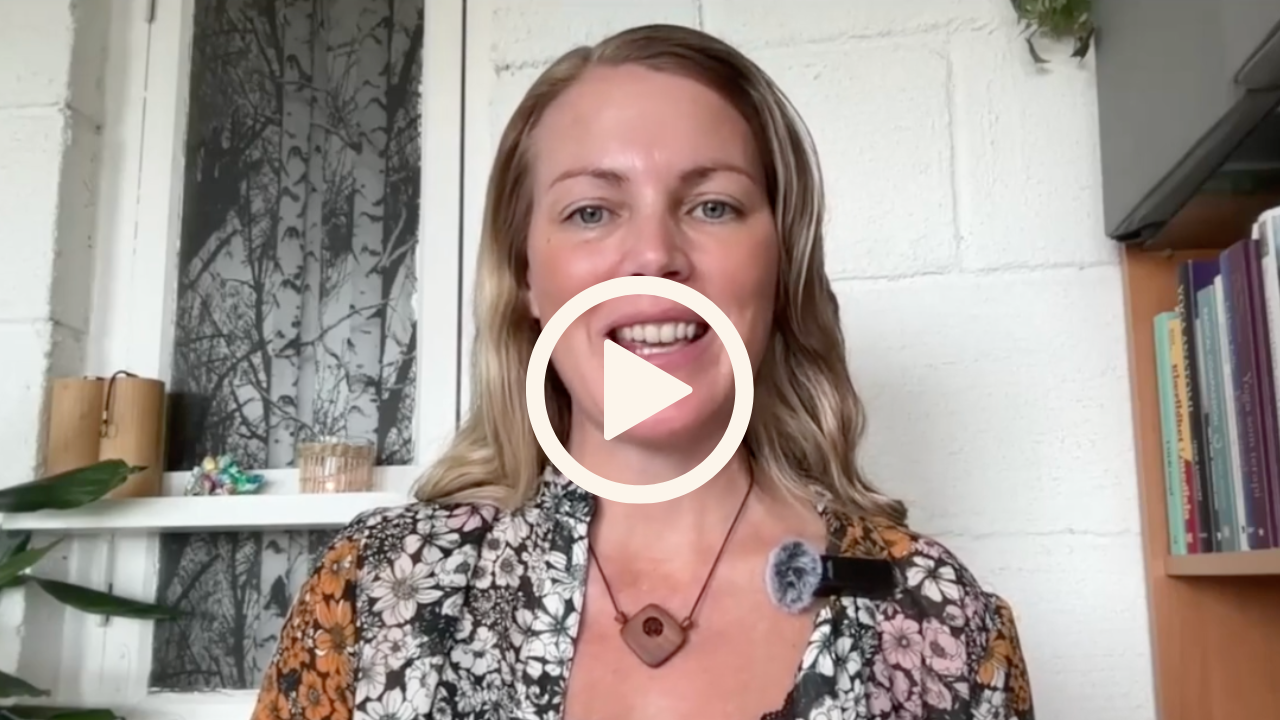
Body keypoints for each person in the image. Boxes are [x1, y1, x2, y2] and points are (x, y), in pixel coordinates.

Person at [251, 23, 1035, 720]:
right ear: (525, 277)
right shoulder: (372, 594)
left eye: (714, 206)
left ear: (781, 263)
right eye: (591, 211)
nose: (656, 256)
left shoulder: (939, 620)